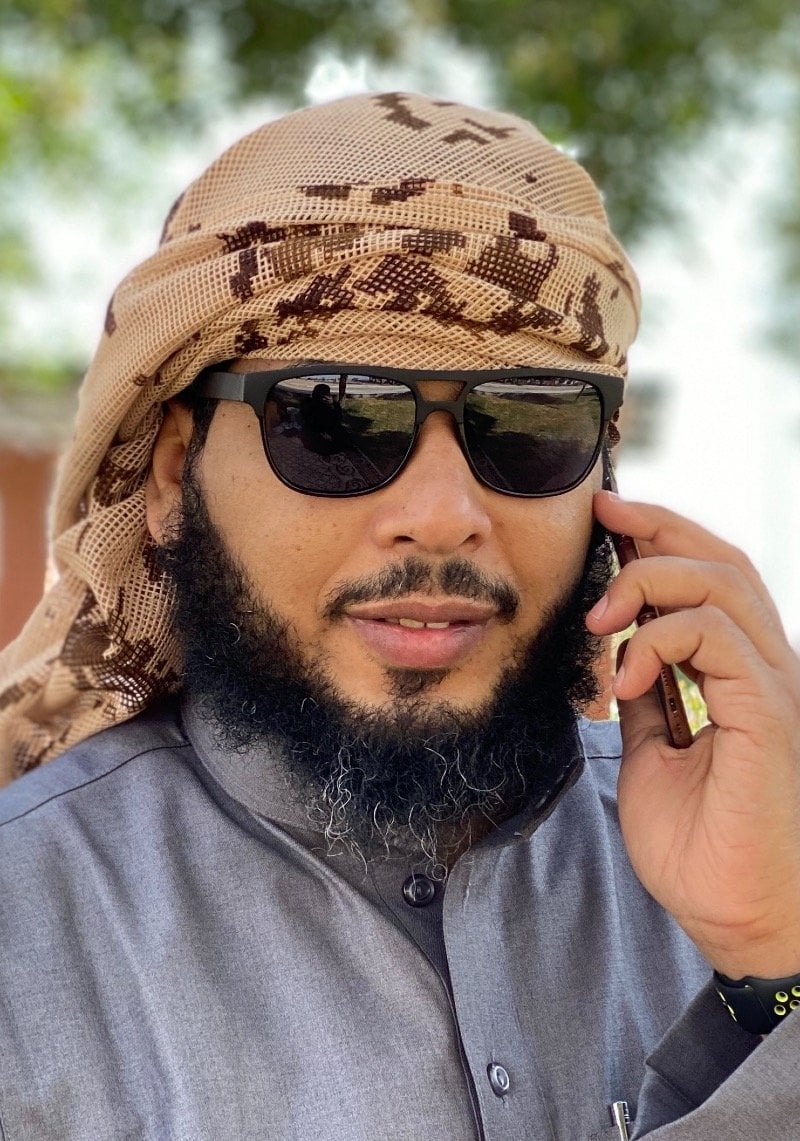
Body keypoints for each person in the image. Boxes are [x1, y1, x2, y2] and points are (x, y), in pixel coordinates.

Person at [0, 91, 798, 1141]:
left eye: (524, 426)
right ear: (173, 473)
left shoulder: (752, 860)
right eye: (334, 421)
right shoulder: (27, 928)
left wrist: (771, 967)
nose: (442, 515)